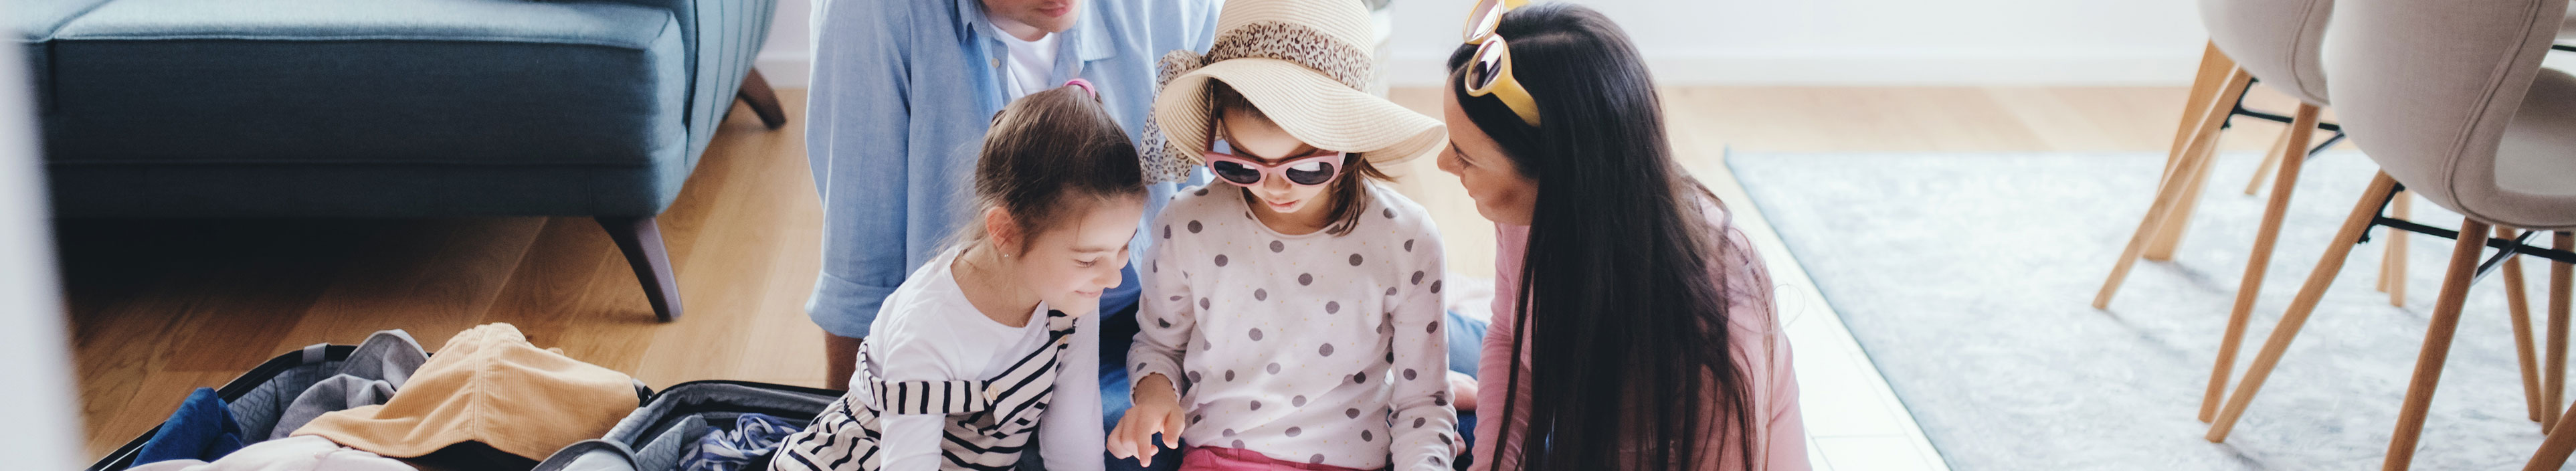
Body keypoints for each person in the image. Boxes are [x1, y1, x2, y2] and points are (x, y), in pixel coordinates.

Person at [1437, 2, 1810, 470]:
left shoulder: (1716, 317)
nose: (1443, 165)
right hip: (1577, 418)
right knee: (1390, 363)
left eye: (1466, 157)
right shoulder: (1528, 211)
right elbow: (1511, 338)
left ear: (1559, 178)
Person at [1103, 0, 1458, 469]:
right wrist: (1154, 398)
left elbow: (1422, 406)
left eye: (1306, 167)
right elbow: (1158, 346)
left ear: (1349, 134)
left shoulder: (1407, 239)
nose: (1273, 188)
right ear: (1220, 131)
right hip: (1218, 457)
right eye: (1241, 164)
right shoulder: (1187, 225)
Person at [802, 0, 1218, 397]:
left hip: (1146, 328)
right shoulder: (868, 15)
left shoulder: (1175, 9)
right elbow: (858, 267)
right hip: (960, 345)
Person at [770, 84, 1143, 471]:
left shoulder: (1074, 297)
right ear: (1005, 232)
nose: (1114, 278)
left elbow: (1074, 435)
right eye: (1087, 260)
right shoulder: (928, 330)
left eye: (1123, 248)